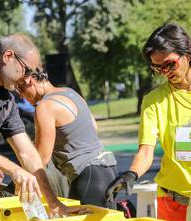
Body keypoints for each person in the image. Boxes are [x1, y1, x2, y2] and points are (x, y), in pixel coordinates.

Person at [106, 23, 191, 221]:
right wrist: (131, 173)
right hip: (174, 204)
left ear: (186, 54)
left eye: (170, 64)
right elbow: (146, 151)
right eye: (157, 67)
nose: (165, 72)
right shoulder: (153, 100)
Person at [0, 33, 77, 215]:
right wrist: (13, 169)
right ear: (8, 57)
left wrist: (53, 204)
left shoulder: (7, 102)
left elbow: (28, 153)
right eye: (27, 71)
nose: (28, 79)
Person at [16, 69, 118, 207]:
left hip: (87, 175)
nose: (21, 97)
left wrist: (19, 176)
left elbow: (41, 159)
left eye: (19, 89)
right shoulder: (70, 93)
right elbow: (93, 126)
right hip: (108, 169)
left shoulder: (45, 106)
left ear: (30, 81)